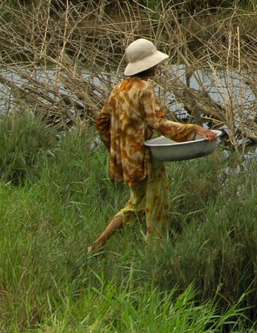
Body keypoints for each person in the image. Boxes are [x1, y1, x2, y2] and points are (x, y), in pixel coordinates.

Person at [89, 38, 218, 254]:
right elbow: (158, 124)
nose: (157, 66)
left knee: (136, 203)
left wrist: (116, 148)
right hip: (145, 160)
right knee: (157, 209)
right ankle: (155, 256)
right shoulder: (144, 89)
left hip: (127, 160)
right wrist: (194, 128)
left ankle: (98, 244)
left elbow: (101, 123)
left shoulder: (118, 89)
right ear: (149, 66)